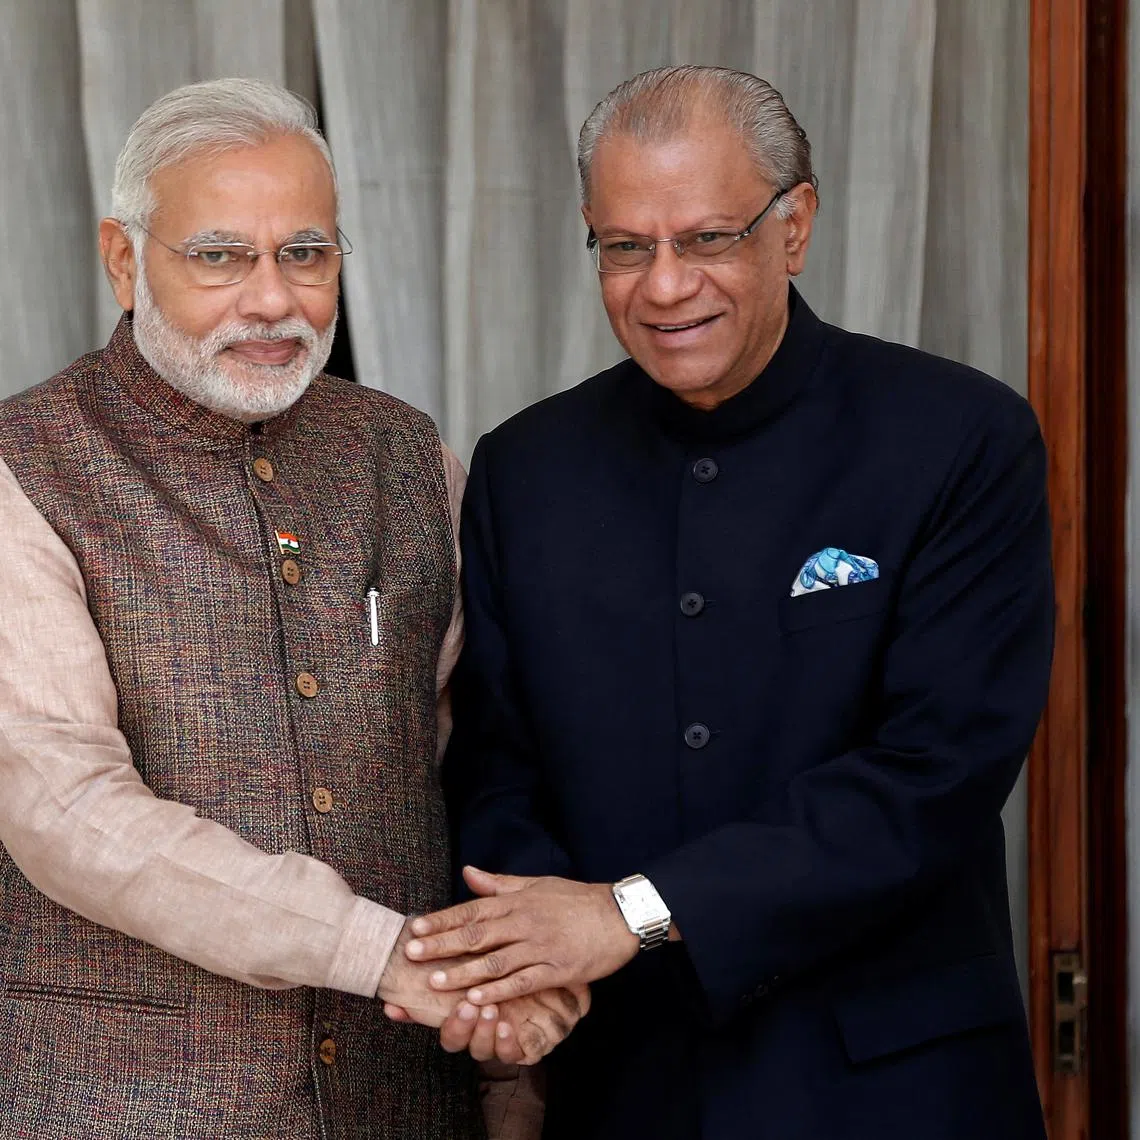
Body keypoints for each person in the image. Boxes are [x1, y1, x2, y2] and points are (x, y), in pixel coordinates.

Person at [406, 66, 1053, 1139]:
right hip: (624, 1087)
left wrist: (626, 914)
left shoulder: (959, 440)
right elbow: (497, 761)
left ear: (794, 226)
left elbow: (932, 775)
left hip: (893, 1089)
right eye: (626, 246)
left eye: (707, 238)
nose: (664, 287)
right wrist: (526, 958)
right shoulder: (527, 469)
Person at [0, 78, 578, 1139]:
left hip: (406, 1094)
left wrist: (510, 1068)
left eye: (305, 254)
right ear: (124, 259)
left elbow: (481, 759)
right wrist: (381, 952)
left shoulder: (405, 455)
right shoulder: (25, 465)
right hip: (124, 1102)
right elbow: (62, 807)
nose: (273, 299)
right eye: (220, 255)